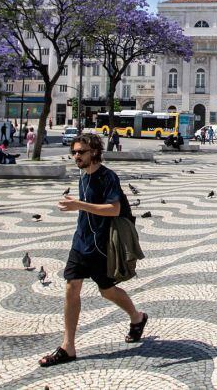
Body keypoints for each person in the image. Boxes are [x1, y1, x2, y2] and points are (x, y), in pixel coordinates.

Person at [40, 133, 147, 367]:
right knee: (71, 286)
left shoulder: (108, 177)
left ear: (95, 152)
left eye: (81, 152)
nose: (76, 156)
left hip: (102, 246)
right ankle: (68, 346)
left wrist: (78, 204)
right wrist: (78, 206)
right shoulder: (82, 176)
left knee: (107, 291)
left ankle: (137, 317)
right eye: (74, 152)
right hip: (82, 242)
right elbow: (88, 208)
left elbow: (114, 209)